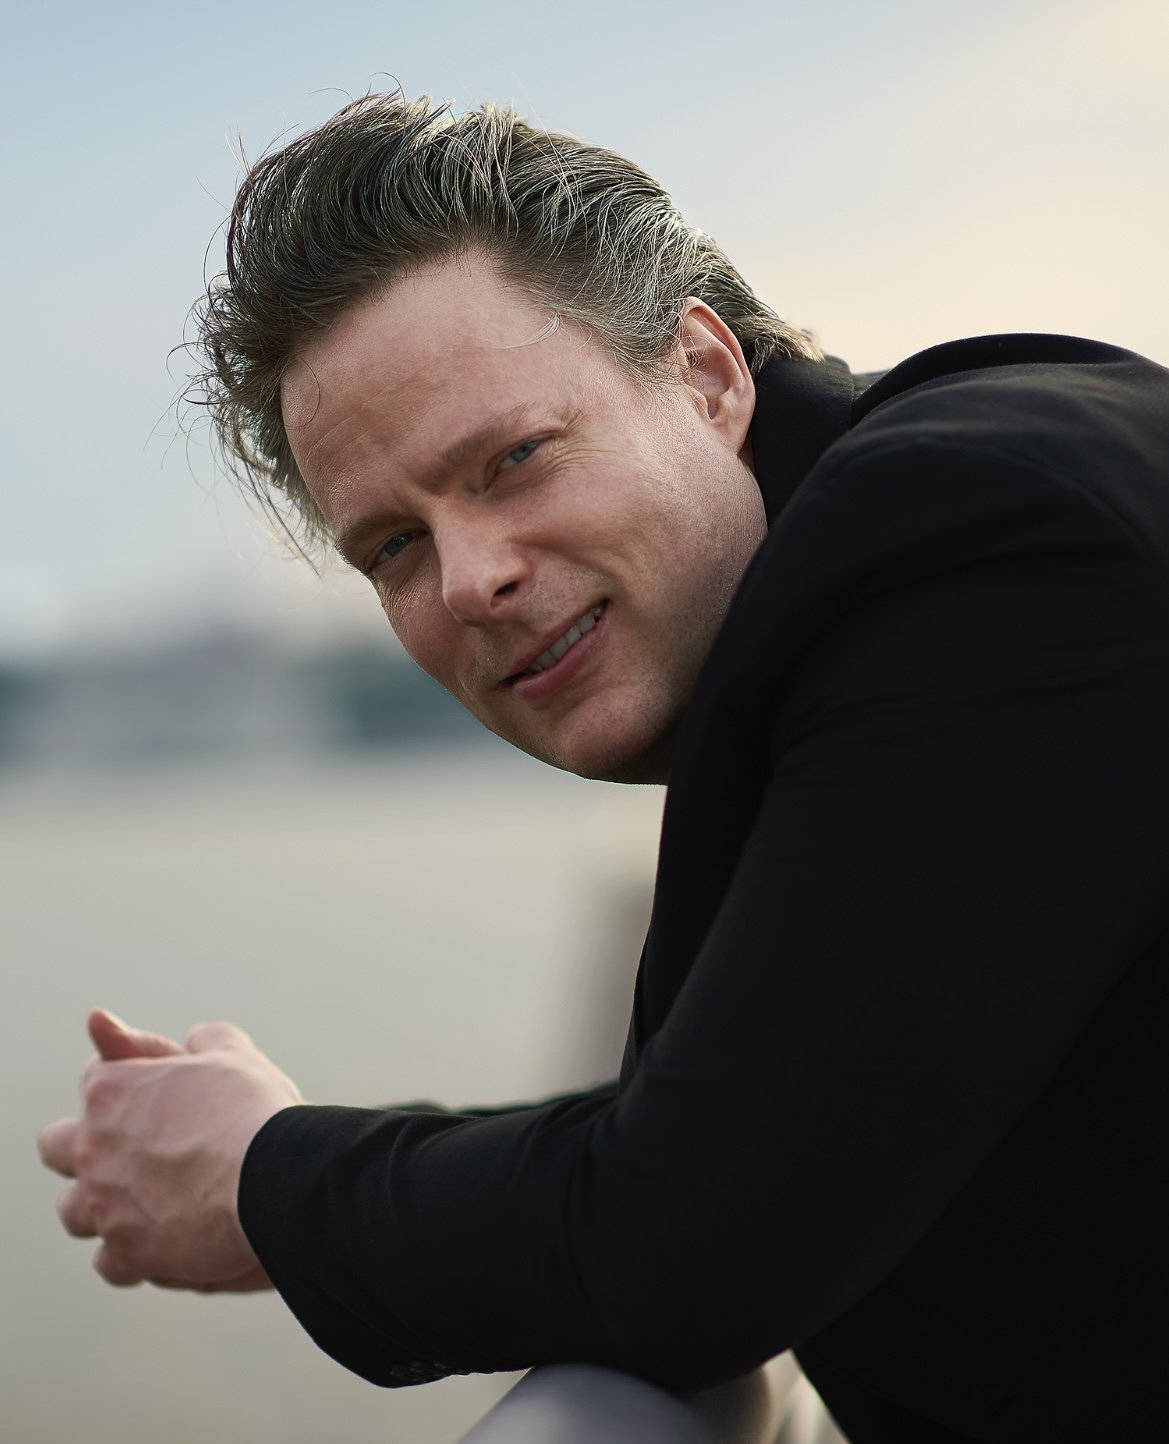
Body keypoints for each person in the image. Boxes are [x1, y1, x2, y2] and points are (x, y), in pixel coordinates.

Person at [38, 91, 1169, 1441]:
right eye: (391, 547)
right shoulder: (914, 534)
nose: (469, 579)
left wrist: (263, 1179)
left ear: (703, 373)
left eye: (514, 459)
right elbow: (785, 1100)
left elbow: (700, 1236)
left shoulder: (968, 540)